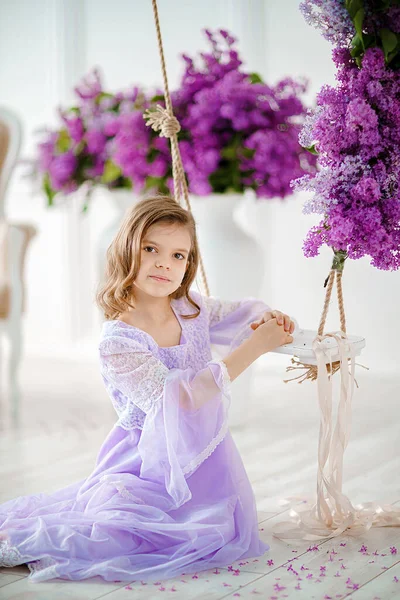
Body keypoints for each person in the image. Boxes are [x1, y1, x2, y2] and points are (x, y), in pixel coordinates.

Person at [0, 195, 294, 583]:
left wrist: (267, 318)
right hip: (144, 463)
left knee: (215, 529)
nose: (164, 264)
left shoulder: (190, 308)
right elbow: (182, 400)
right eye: (151, 248)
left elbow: (241, 313)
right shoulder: (119, 341)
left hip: (205, 462)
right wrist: (256, 347)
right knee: (121, 537)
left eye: (179, 256)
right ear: (127, 248)